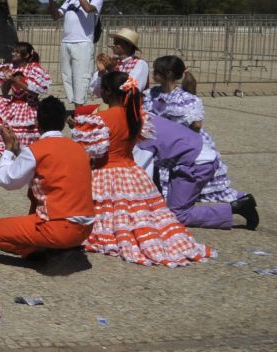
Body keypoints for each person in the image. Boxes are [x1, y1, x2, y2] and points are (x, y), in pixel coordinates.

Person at [71, 71, 214, 266]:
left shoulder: (100, 120)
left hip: (106, 172)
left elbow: (89, 153)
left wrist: (78, 131)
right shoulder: (138, 117)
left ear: (106, 92)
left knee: (110, 211)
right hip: (132, 172)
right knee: (138, 212)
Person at [141, 54, 256, 228]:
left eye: (157, 71)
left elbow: (196, 123)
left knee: (193, 197)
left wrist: (171, 120)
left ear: (168, 73)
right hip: (164, 146)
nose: (153, 73)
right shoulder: (151, 94)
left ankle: (235, 206)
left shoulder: (186, 99)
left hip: (184, 147)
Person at [0, 96, 95, 262]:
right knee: (37, 188)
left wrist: (9, 150)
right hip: (85, 229)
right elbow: (50, 165)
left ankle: (40, 252)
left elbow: (6, 180)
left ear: (37, 123)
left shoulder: (37, 150)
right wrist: (19, 151)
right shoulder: (79, 149)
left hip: (58, 229)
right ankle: (57, 248)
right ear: (63, 123)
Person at [135, 114, 259, 230]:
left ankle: (238, 207)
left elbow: (139, 174)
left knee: (178, 215)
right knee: (167, 209)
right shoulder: (144, 117)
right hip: (193, 157)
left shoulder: (140, 134)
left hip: (197, 164)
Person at [48, 0, 103, 106]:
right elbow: (56, 16)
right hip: (66, 42)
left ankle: (79, 108)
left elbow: (88, 9)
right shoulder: (69, 0)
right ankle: (74, 105)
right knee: (67, 76)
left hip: (83, 42)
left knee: (81, 77)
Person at [90, 28, 148, 98]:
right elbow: (97, 93)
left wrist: (111, 71)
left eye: (117, 42)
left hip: (131, 106)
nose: (114, 45)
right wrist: (102, 73)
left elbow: (131, 89)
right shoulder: (114, 62)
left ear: (128, 45)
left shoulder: (140, 64)